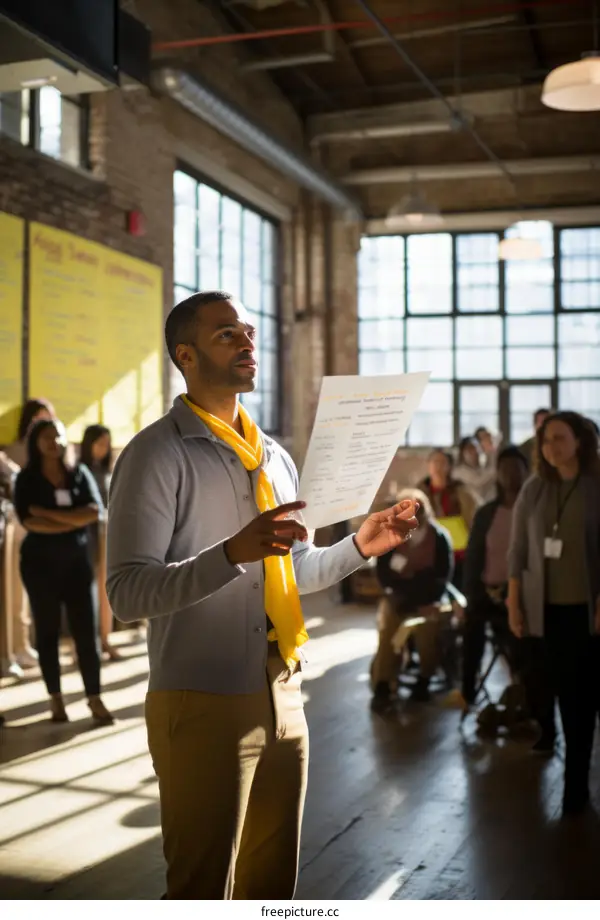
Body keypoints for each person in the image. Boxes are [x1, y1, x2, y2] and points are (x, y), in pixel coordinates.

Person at [106, 290, 419, 901]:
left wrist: (360, 545)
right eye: (228, 334)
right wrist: (230, 553)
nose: (248, 342)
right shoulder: (155, 454)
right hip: (201, 698)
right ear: (186, 356)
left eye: (248, 331)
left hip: (283, 688)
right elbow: (127, 593)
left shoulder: (273, 456)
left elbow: (293, 572)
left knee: (271, 888)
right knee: (201, 888)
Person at [507, 411, 600, 816]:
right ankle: (574, 788)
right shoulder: (534, 488)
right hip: (550, 612)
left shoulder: (596, 485)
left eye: (560, 439)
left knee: (591, 697)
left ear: (580, 441)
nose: (551, 447)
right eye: (546, 440)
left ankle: (579, 780)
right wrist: (514, 601)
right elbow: (517, 551)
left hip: (592, 611)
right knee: (568, 696)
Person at [14, 419, 113, 725]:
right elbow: (29, 522)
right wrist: (72, 519)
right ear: (36, 442)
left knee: (87, 632)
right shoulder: (27, 478)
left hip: (76, 565)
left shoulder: (78, 473)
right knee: (47, 632)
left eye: (57, 435)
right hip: (39, 566)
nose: (53, 441)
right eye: (46, 436)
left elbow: (94, 513)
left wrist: (47, 514)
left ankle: (94, 698)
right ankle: (56, 700)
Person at [371, 488, 453, 707]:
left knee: (428, 631)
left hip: (428, 599)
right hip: (399, 597)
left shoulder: (439, 537)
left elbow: (441, 578)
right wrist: (403, 588)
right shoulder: (390, 536)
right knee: (388, 628)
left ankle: (424, 679)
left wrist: (418, 587)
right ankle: (383, 683)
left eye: (419, 508)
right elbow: (384, 574)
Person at [461, 446, 529, 709]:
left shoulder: (534, 510)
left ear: (526, 472)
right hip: (487, 594)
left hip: (522, 596)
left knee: (521, 645)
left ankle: (523, 698)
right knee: (471, 637)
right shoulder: (487, 513)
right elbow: (473, 557)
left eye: (516, 468)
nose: (510, 475)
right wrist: (471, 595)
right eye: (504, 469)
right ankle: (469, 693)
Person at [2, 399, 56, 670]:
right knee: (14, 589)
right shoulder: (13, 449)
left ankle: (23, 644)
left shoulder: (52, 451)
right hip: (17, 523)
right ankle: (14, 648)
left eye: (45, 417)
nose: (40, 422)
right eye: (36, 417)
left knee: (31, 589)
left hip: (43, 527)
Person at [80, 424, 120, 661]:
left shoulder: (108, 472)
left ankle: (104, 639)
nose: (103, 449)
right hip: (86, 536)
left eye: (106, 444)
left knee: (106, 591)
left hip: (107, 534)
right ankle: (84, 645)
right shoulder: (80, 470)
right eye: (99, 444)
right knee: (86, 592)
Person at [418, 448, 478, 591]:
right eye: (434, 462)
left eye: (442, 462)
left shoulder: (462, 491)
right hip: (432, 552)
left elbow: (474, 516)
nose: (438, 466)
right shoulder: (421, 492)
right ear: (429, 465)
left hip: (460, 553)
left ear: (449, 466)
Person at [454, 436, 496, 503]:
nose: (474, 452)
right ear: (462, 453)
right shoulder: (458, 472)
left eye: (476, 449)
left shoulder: (481, 470)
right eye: (470, 449)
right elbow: (479, 481)